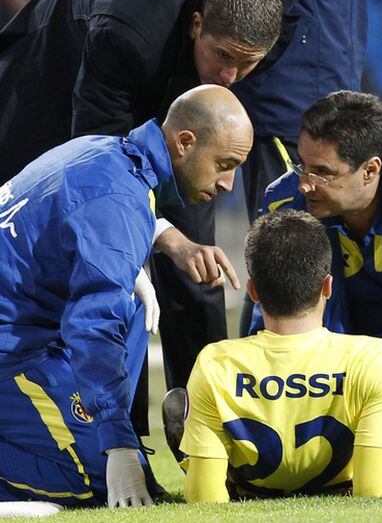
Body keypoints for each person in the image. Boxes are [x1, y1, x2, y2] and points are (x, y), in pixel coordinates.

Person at [0, 0, 303, 406]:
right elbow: (94, 170)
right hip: (61, 47)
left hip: (159, 48)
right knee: (111, 255)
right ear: (196, 24)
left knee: (196, 254)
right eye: (222, 56)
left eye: (246, 65)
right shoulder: (123, 38)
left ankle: (206, 421)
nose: (229, 78)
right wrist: (161, 234)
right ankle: (119, 430)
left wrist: (182, 241)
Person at [0, 84, 253, 509]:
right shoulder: (119, 199)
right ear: (185, 143)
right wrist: (117, 446)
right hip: (14, 349)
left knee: (133, 297)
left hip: (29, 331)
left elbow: (91, 208)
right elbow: (94, 328)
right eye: (224, 164)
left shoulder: (103, 152)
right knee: (96, 482)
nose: (228, 183)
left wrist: (166, 242)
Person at [175, 209, 382, 501]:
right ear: (327, 287)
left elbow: (204, 498)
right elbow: (376, 491)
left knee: (179, 405)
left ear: (254, 292)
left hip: (250, 489)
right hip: (336, 487)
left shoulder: (215, 362)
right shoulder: (373, 356)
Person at [214, 0, 367, 334]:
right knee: (285, 253)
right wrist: (271, 65)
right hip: (286, 103)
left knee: (320, 256)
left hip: (334, 97)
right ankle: (259, 385)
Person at [257, 90, 382, 484]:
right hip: (332, 363)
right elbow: (276, 313)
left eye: (322, 172)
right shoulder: (284, 202)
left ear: (370, 169)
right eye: (301, 165)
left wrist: (373, 385)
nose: (306, 184)